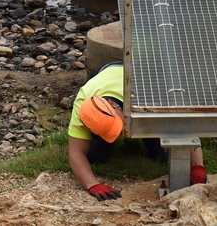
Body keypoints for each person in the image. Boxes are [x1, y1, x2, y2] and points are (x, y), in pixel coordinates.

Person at [69, 62, 207, 201]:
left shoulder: (150, 95)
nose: (120, 135)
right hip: (103, 76)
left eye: (118, 129)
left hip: (135, 76)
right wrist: (93, 184)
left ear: (114, 106)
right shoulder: (83, 104)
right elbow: (75, 152)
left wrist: (198, 166)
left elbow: (184, 126)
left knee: (162, 155)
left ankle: (148, 137)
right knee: (95, 156)